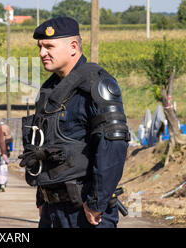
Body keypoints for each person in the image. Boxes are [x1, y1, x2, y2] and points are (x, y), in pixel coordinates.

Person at [19, 16, 129, 228]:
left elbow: (113, 145)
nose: (42, 53)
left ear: (73, 46)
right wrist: (42, 199)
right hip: (52, 212)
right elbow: (42, 147)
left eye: (49, 46)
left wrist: (97, 202)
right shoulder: (50, 90)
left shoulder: (96, 84)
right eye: (40, 47)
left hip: (84, 212)